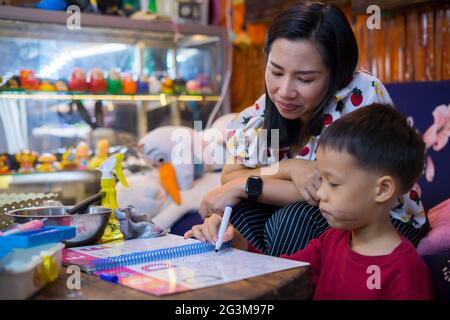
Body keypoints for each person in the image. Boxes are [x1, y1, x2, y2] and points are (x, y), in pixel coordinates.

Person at [196, 2, 428, 256]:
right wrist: (287, 168)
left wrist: (244, 186)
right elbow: (231, 174)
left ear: (337, 74)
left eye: (305, 79)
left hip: (379, 218)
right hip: (314, 207)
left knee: (293, 219)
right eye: (276, 71)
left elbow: (333, 192)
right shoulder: (264, 111)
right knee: (240, 213)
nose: (284, 91)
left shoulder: (359, 96)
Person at [186, 104, 433, 300]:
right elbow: (281, 273)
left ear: (382, 190)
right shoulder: (331, 241)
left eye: (333, 184)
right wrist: (236, 241)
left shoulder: (405, 272)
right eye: (321, 180)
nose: (321, 193)